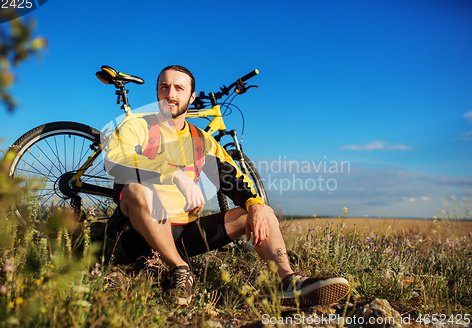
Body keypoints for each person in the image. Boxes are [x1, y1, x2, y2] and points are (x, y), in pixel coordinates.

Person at [104, 65, 349, 306]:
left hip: (184, 233)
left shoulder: (201, 140)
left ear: (191, 97)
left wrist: (254, 204)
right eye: (164, 87)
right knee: (137, 187)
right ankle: (179, 269)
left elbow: (231, 178)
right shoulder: (138, 126)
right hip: (138, 233)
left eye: (179, 88)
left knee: (261, 211)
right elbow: (116, 160)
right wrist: (175, 175)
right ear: (157, 92)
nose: (170, 94)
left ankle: (288, 281)